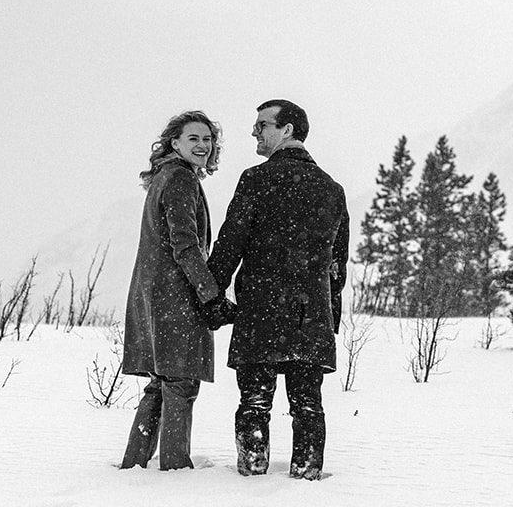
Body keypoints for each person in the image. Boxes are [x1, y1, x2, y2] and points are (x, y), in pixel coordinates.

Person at [208, 98, 349, 479]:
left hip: (260, 311)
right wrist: (328, 321)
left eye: (262, 125)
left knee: (254, 403)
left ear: (287, 130)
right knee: (307, 404)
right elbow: (338, 267)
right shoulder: (332, 190)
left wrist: (210, 295)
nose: (255, 131)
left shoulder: (255, 180)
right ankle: (307, 474)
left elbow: (229, 245)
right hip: (310, 316)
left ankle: (252, 475)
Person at [118, 111, 235, 470]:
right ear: (175, 143)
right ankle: (175, 468)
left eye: (207, 139)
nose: (203, 146)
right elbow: (185, 245)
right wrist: (211, 294)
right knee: (180, 384)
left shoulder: (163, 177)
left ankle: (134, 464)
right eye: (194, 139)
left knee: (160, 384)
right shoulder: (181, 179)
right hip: (175, 297)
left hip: (152, 294)